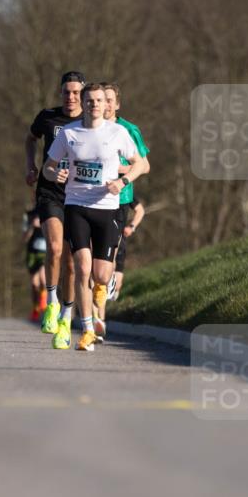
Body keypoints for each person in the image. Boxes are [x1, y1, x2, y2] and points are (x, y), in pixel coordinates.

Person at [42, 82, 147, 351]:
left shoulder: (118, 132)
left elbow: (141, 164)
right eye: (89, 101)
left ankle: (105, 284)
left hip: (108, 208)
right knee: (81, 268)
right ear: (84, 104)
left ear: (105, 104)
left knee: (100, 275)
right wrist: (56, 175)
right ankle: (87, 329)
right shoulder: (68, 133)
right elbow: (48, 168)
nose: (94, 105)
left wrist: (123, 183)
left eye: (99, 101)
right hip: (76, 206)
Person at [25, 71, 85, 336]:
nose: (70, 97)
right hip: (50, 191)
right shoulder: (47, 117)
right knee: (55, 246)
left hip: (79, 194)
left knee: (73, 262)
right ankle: (51, 301)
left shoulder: (90, 120)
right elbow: (30, 139)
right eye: (66, 92)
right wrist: (31, 165)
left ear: (83, 94)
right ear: (60, 93)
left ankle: (67, 312)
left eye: (75, 92)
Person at [93, 82, 150, 337]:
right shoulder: (89, 127)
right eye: (101, 99)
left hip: (119, 199)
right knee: (89, 260)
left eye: (110, 100)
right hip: (89, 197)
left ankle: (99, 318)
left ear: (117, 104)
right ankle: (93, 319)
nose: (105, 104)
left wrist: (119, 172)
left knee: (105, 263)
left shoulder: (129, 130)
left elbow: (144, 165)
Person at [110, 195, 146, 302]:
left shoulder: (125, 191)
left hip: (119, 239)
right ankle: (95, 314)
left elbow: (140, 210)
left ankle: (111, 303)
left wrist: (132, 226)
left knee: (116, 284)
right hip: (101, 236)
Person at [22, 208, 47, 321]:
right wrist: (32, 226)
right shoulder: (28, 215)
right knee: (34, 283)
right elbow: (24, 238)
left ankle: (44, 303)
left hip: (46, 252)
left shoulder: (50, 210)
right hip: (32, 252)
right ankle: (36, 308)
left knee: (43, 279)